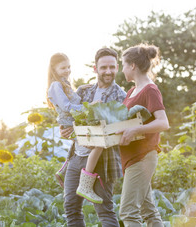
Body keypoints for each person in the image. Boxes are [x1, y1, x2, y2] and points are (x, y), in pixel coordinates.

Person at [60, 48, 126, 227]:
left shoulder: (120, 96)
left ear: (117, 67)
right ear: (95, 69)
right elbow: (69, 116)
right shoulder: (84, 92)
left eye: (112, 67)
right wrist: (65, 129)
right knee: (71, 208)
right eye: (103, 67)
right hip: (76, 157)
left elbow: (117, 131)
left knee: (104, 210)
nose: (108, 71)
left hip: (102, 161)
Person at [117, 43, 169, 227]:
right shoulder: (132, 91)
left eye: (123, 64)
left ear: (132, 65)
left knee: (128, 212)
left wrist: (135, 130)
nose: (121, 69)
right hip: (132, 158)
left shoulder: (150, 90)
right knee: (149, 212)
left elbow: (163, 122)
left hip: (143, 157)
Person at [46, 53, 104, 203]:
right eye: (63, 67)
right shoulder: (55, 86)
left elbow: (70, 99)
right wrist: (88, 107)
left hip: (74, 123)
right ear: (54, 68)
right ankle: (85, 186)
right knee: (98, 144)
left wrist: (79, 89)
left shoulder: (63, 83)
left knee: (95, 143)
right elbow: (66, 106)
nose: (67, 70)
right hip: (70, 124)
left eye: (69, 67)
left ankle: (64, 171)